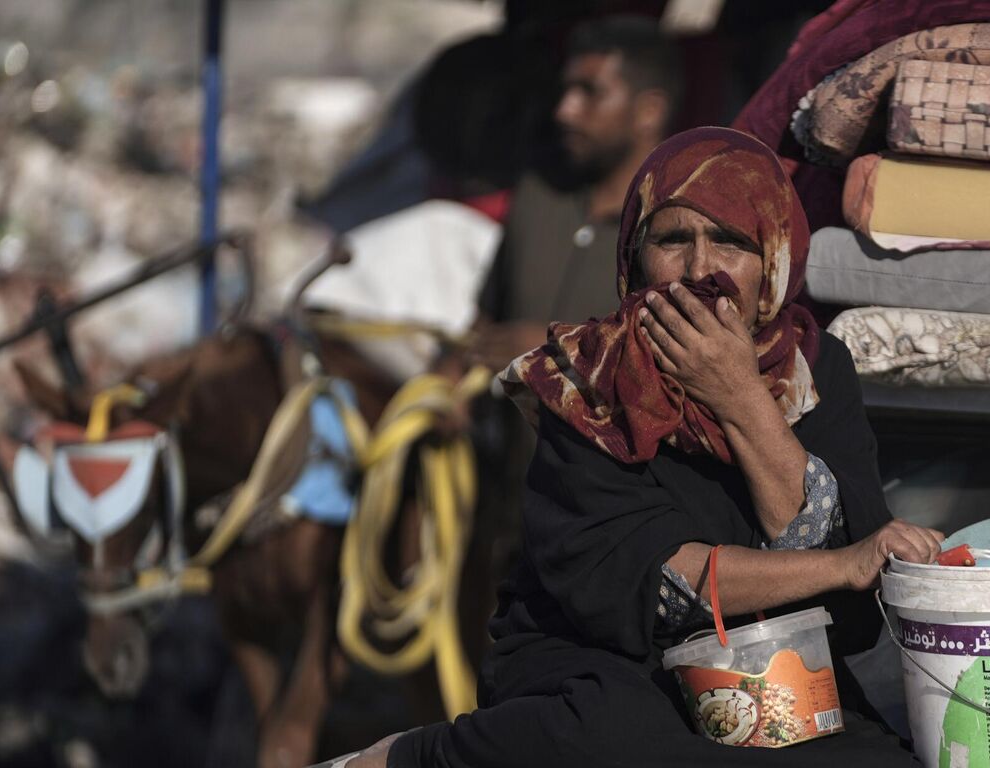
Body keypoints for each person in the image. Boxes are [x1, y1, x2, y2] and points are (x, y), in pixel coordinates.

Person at [317, 128, 941, 767]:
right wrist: (842, 565)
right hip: (609, 666)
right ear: (637, 258)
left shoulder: (818, 369)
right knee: (625, 742)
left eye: (730, 241)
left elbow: (849, 607)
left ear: (775, 259)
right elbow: (654, 583)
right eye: (673, 240)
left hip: (777, 668)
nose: (701, 270)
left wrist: (744, 404)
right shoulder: (586, 381)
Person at [473, 14, 684, 364]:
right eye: (566, 91)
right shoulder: (537, 193)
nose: (565, 111)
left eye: (590, 92)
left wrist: (565, 350)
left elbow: (675, 371)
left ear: (650, 111)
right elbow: (487, 317)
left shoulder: (679, 228)